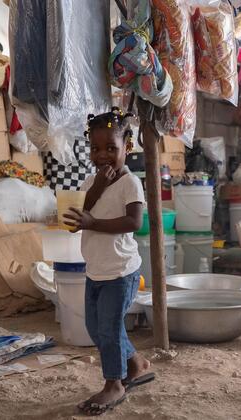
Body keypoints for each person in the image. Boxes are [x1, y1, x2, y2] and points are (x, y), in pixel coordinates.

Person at [63, 107, 153, 416]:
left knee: (110, 328)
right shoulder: (92, 182)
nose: (102, 155)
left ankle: (114, 384)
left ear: (127, 147)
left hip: (120, 270)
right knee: (95, 326)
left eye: (111, 148)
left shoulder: (131, 183)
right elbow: (82, 210)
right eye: (96, 148)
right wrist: (98, 186)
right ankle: (136, 364)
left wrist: (91, 224)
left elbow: (134, 221)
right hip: (96, 270)